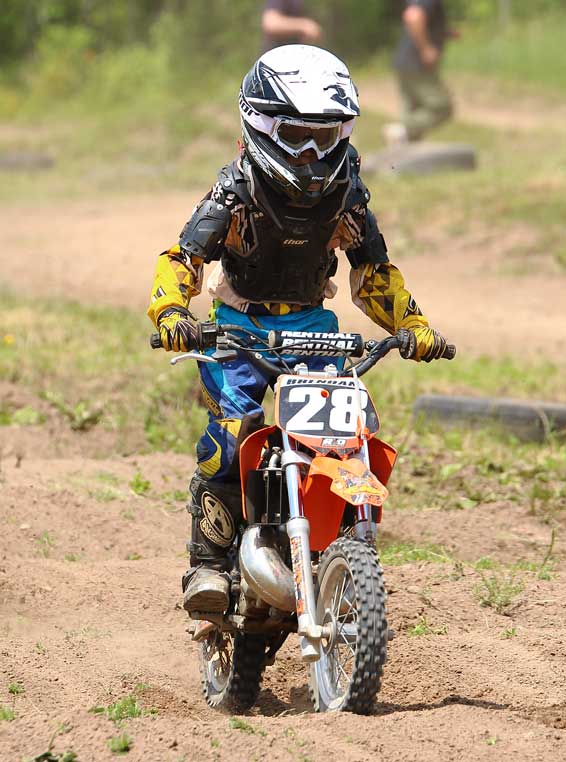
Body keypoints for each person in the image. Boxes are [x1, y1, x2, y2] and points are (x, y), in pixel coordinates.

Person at [147, 44, 451, 616]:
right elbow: (182, 257)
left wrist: (412, 325)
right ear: (260, 126)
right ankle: (208, 566)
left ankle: (341, 541)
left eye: (326, 137)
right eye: (295, 136)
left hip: (314, 327)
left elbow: (373, 274)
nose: (312, 153)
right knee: (232, 435)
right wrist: (169, 312)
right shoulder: (236, 192)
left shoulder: (347, 196)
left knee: (352, 428)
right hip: (239, 327)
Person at [389, 0, 454, 142]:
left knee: (413, 108)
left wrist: (442, 32)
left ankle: (404, 151)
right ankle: (402, 130)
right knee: (441, 108)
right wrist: (426, 49)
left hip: (405, 61)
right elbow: (413, 17)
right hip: (417, 63)